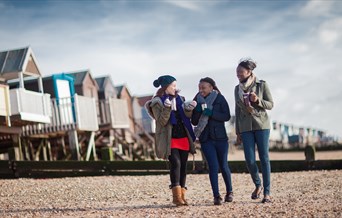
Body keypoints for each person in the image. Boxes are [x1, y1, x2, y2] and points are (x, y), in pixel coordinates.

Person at [146, 75, 197, 206]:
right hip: (170, 138)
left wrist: (189, 109)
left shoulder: (180, 99)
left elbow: (186, 117)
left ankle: (182, 196)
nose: (175, 88)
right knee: (176, 164)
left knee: (183, 166)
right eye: (173, 85)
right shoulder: (157, 102)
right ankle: (176, 197)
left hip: (183, 136)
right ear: (166, 87)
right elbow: (162, 121)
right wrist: (167, 108)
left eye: (175, 85)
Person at [234, 58, 274, 203]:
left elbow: (270, 105)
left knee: (264, 158)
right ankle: (258, 185)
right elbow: (237, 111)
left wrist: (257, 100)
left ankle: (267, 193)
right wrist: (237, 131)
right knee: (249, 160)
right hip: (245, 128)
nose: (238, 74)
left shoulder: (262, 85)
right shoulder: (236, 89)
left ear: (249, 72)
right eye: (236, 72)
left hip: (262, 125)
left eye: (240, 72)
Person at [191, 77, 233, 205]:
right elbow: (193, 121)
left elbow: (226, 116)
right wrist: (197, 112)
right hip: (206, 139)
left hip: (220, 138)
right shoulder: (196, 100)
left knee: (224, 166)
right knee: (213, 167)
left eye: (203, 87)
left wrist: (211, 113)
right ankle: (216, 196)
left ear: (211, 87)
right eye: (199, 88)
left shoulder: (220, 98)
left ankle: (229, 192)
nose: (201, 90)